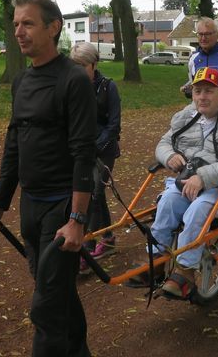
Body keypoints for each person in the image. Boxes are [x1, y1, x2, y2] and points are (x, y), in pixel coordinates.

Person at [0, 0, 97, 356]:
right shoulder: (22, 81)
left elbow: (84, 154)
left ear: (54, 27)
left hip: (63, 208)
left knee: (44, 306)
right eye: (16, 24)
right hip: (32, 206)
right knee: (56, 290)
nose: (19, 31)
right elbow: (14, 143)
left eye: (28, 23)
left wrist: (77, 219)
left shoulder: (74, 81)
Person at [141, 67, 218, 299]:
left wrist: (204, 176)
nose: (202, 97)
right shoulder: (187, 116)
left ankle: (185, 272)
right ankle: (155, 263)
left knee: (197, 210)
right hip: (186, 182)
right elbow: (163, 144)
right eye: (197, 91)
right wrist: (169, 156)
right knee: (166, 204)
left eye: (208, 91)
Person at [70, 42, 122, 273]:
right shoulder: (74, 87)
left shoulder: (108, 87)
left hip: (105, 150)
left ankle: (87, 247)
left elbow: (114, 125)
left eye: (82, 66)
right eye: (75, 66)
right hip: (82, 150)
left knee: (94, 195)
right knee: (93, 195)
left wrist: (97, 146)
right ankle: (108, 237)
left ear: (94, 64)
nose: (78, 71)